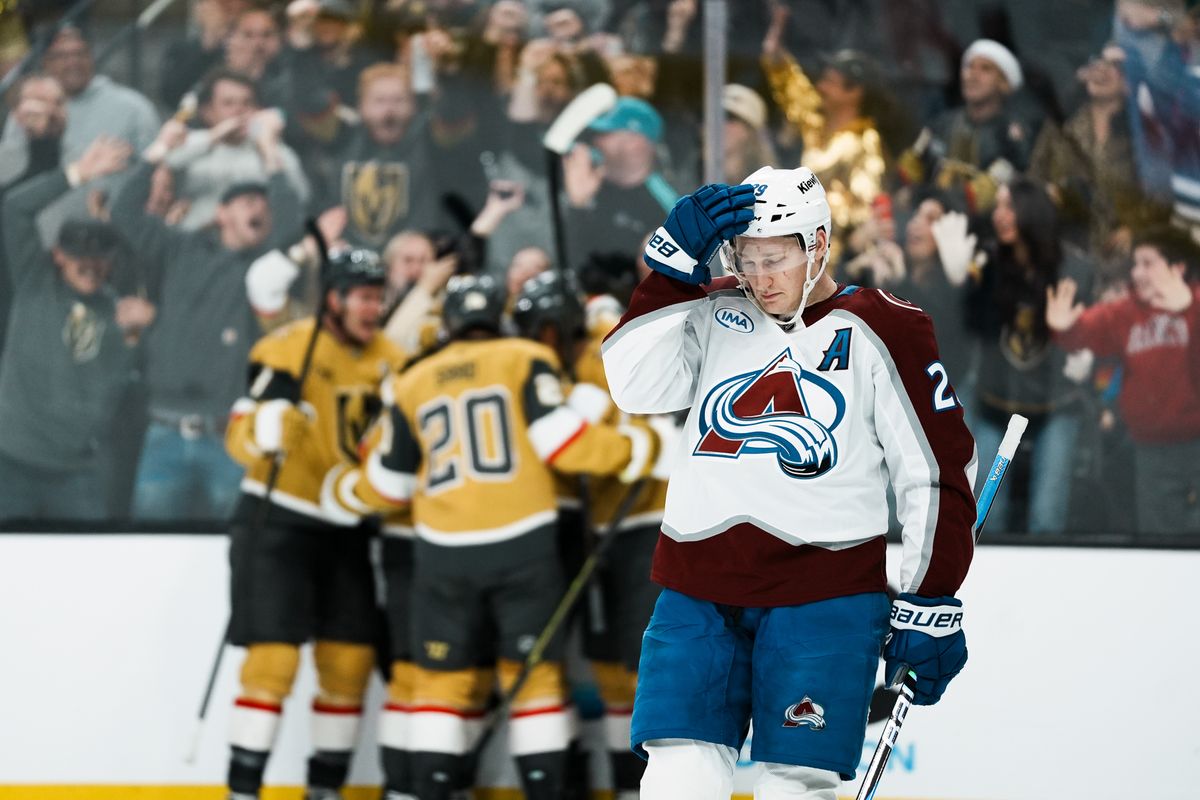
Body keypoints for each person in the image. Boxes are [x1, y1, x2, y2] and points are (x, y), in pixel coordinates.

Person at [600, 166, 977, 799]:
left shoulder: (883, 326)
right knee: (675, 777)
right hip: (698, 588)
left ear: (819, 244)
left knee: (795, 785)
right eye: (745, 260)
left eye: (775, 259)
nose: (760, 278)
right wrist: (668, 274)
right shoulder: (712, 306)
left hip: (824, 595)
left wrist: (931, 595)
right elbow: (633, 388)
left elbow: (934, 469)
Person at [323, 273, 666, 800]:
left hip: (441, 552)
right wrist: (641, 450)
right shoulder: (525, 358)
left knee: (440, 684)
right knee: (535, 680)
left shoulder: (415, 379)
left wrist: (344, 492)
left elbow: (390, 486)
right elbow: (562, 443)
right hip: (525, 544)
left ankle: (430, 792)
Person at [222, 247, 408, 800]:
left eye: (379, 298)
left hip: (346, 527)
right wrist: (264, 429)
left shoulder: (393, 360)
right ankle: (243, 790)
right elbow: (237, 435)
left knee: (349, 663)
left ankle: (323, 791)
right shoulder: (289, 348)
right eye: (364, 297)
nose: (373, 309)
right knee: (273, 661)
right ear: (333, 298)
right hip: (277, 521)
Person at [513, 270, 676, 800]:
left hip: (646, 526)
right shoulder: (567, 373)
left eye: (545, 332)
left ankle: (655, 788)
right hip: (604, 529)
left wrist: (643, 447)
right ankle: (628, 788)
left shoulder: (600, 356)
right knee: (610, 673)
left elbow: (592, 433)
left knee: (641, 672)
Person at [111, 117, 303, 521]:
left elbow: (290, 224)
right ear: (221, 213)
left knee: (232, 542)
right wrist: (159, 151)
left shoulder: (262, 266)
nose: (259, 209)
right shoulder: (180, 248)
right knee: (151, 546)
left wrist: (270, 152)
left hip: (229, 434)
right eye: (247, 202)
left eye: (264, 204)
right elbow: (124, 213)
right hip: (163, 428)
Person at [0, 137, 152, 521]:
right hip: (10, 460)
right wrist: (77, 174)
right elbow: (14, 208)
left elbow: (114, 389)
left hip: (77, 470)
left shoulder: (118, 310)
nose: (90, 265)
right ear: (58, 255)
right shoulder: (35, 281)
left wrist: (136, 337)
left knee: (88, 555)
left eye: (100, 257)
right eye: (79, 256)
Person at [1046, 226, 1200, 534]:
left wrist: (1190, 310)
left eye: (1148, 263)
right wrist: (1064, 328)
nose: (1137, 272)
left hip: (1196, 442)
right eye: (1136, 263)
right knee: (1160, 538)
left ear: (1178, 268)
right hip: (1152, 449)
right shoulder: (1124, 313)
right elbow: (1087, 329)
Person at [164, 68, 309, 231]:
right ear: (207, 112)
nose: (239, 110)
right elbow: (166, 160)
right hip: (198, 237)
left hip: (255, 239)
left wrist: (268, 146)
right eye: (228, 103)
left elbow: (299, 198)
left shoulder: (275, 150)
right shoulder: (192, 144)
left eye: (247, 103)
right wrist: (215, 136)